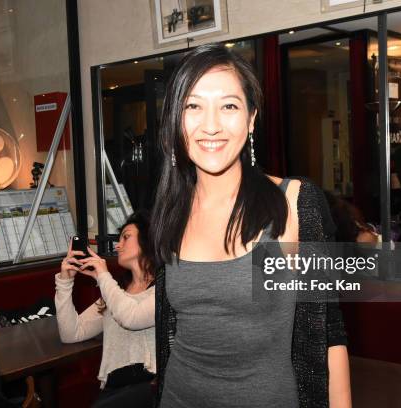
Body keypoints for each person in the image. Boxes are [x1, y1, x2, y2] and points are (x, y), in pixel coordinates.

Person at [150, 43, 350, 408]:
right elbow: (171, 332)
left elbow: (329, 330)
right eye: (193, 106)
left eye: (229, 106)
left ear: (251, 118)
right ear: (176, 118)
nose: (211, 126)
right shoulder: (171, 211)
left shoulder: (294, 203)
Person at [55, 212, 156, 408]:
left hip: (149, 386)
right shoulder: (115, 292)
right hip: (114, 387)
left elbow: (130, 317)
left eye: (126, 237)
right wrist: (65, 281)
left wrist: (103, 275)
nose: (118, 245)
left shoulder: (164, 288)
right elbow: (71, 333)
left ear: (148, 240)